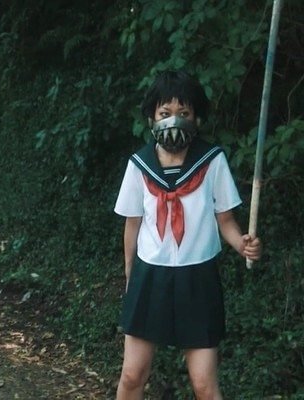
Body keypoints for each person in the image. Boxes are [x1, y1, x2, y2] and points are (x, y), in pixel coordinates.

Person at [113, 70, 263, 399]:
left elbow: (226, 220)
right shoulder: (139, 165)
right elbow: (132, 224)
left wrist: (242, 244)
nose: (174, 120)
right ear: (151, 117)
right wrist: (130, 276)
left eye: (184, 112)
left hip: (198, 278)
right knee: (132, 376)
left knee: (204, 385)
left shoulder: (212, 161)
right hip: (149, 276)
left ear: (197, 118)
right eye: (165, 112)